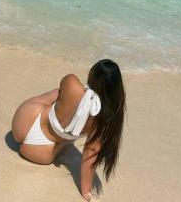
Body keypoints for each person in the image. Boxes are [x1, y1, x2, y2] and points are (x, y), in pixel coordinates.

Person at [11, 59, 126, 200]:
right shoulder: (102, 122)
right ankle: (63, 141)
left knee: (57, 93)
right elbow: (90, 153)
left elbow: (63, 86)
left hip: (26, 119)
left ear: (92, 74)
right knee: (69, 139)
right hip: (41, 152)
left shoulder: (72, 82)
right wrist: (86, 191)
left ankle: (62, 130)